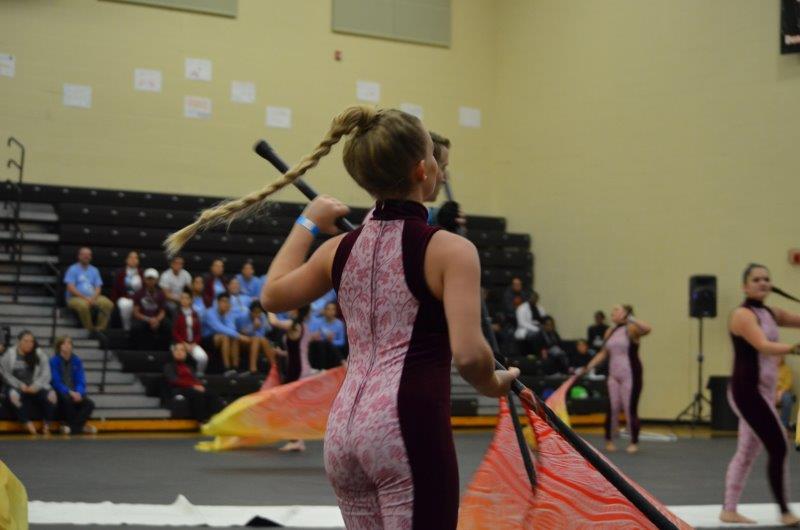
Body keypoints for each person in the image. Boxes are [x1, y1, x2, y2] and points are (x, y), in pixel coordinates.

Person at [165, 105, 518, 528]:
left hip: (345, 432)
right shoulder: (452, 251)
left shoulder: (338, 250)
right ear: (423, 170)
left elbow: (273, 295)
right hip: (407, 427)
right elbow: (471, 356)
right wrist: (494, 383)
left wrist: (308, 222)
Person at [720, 264, 800, 526]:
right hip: (747, 391)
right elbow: (763, 345)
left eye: (766, 278)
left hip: (763, 392)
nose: (763, 282)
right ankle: (785, 511)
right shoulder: (742, 315)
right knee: (778, 445)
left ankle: (728, 510)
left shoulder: (770, 313)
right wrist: (794, 348)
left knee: (746, 452)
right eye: (756, 279)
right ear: (745, 286)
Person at [583, 304, 651, 454]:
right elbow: (603, 353)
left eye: (617, 310)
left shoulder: (631, 329)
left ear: (626, 313)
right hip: (614, 374)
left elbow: (647, 329)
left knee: (629, 406)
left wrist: (631, 318)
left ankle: (633, 441)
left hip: (630, 373)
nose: (612, 312)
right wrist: (589, 366)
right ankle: (609, 439)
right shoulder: (610, 331)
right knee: (612, 406)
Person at [0, 331, 56, 435]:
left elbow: (46, 374)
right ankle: (26, 422)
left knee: (52, 395)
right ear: (19, 342)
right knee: (13, 396)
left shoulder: (39, 354)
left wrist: (36, 386)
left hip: (35, 385)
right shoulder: (9, 354)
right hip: (17, 386)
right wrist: (20, 385)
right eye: (26, 341)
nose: (29, 344)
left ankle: (47, 424)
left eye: (31, 341)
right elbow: (5, 374)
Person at [163, 342, 222, 423]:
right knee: (197, 393)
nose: (179, 352)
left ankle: (218, 418)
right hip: (179, 389)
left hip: (191, 388)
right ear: (173, 353)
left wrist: (199, 385)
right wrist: (193, 386)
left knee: (211, 392)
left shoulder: (189, 367)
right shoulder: (169, 366)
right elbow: (174, 380)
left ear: (186, 354)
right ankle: (201, 421)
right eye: (176, 350)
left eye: (182, 350)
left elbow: (195, 379)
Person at [49, 336, 96, 435]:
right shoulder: (54, 361)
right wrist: (70, 392)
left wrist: (79, 392)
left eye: (69, 343)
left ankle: (71, 428)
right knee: (67, 400)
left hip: (75, 392)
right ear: (59, 346)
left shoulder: (77, 361)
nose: (67, 345)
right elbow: (56, 382)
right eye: (64, 343)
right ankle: (80, 428)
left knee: (90, 404)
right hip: (61, 391)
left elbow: (81, 380)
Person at [64, 247, 114, 334]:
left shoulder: (94, 270)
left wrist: (92, 298)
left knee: (107, 303)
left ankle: (100, 329)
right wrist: (85, 298)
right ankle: (89, 330)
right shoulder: (72, 269)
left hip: (92, 297)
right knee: (83, 306)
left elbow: (98, 288)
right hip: (75, 298)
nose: (86, 256)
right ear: (79, 256)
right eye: (84, 254)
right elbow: (70, 288)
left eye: (89, 255)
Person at [201, 293, 243, 375]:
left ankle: (235, 368)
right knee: (226, 337)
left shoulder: (228, 313)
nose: (226, 304)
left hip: (220, 337)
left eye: (227, 302)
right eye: (223, 301)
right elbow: (218, 328)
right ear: (218, 302)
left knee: (234, 338)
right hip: (206, 339)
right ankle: (226, 368)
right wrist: (238, 335)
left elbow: (232, 329)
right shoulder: (209, 312)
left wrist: (228, 315)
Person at [130, 268, 171, 350]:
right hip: (143, 318)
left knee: (168, 325)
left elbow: (162, 311)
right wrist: (149, 320)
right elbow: (136, 312)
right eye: (148, 279)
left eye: (153, 279)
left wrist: (156, 320)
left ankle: (165, 349)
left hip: (157, 318)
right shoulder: (139, 294)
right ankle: (138, 350)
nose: (151, 281)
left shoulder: (161, 294)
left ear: (156, 280)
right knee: (135, 327)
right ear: (145, 280)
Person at [173, 290, 209, 376]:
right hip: (180, 342)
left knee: (203, 358)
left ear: (190, 300)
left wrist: (194, 343)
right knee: (180, 355)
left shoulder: (195, 314)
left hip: (192, 343)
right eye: (182, 298)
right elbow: (174, 332)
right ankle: (180, 375)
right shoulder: (176, 313)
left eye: (187, 298)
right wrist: (183, 343)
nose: (184, 300)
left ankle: (199, 374)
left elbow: (198, 332)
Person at [237, 301, 276, 374]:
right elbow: (241, 333)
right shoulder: (242, 317)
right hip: (243, 340)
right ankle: (253, 367)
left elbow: (264, 332)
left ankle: (274, 367)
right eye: (255, 312)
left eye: (259, 312)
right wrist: (253, 328)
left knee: (262, 340)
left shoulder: (262, 316)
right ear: (250, 311)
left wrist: (259, 327)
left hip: (257, 340)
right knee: (257, 339)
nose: (257, 314)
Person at [308, 301, 346, 370]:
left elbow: (342, 342)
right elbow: (311, 336)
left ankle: (324, 368)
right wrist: (315, 337)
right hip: (318, 348)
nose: (330, 312)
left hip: (332, 350)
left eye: (333, 309)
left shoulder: (339, 324)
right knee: (318, 345)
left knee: (328, 345)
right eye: (328, 309)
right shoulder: (317, 322)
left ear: (335, 312)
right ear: (324, 311)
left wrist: (332, 341)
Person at [111, 250, 142, 331]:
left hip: (138, 299)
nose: (133, 260)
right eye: (131, 257)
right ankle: (127, 328)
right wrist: (113, 301)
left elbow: (144, 289)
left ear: (138, 261)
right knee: (126, 305)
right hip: (124, 298)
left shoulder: (141, 273)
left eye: (135, 258)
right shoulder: (120, 273)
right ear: (126, 260)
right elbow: (115, 289)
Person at [777, 357, 796, 431]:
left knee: (788, 398)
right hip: (770, 390)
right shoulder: (769, 367)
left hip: (783, 391)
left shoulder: (787, 369)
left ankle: (783, 425)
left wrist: (781, 392)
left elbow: (788, 384)